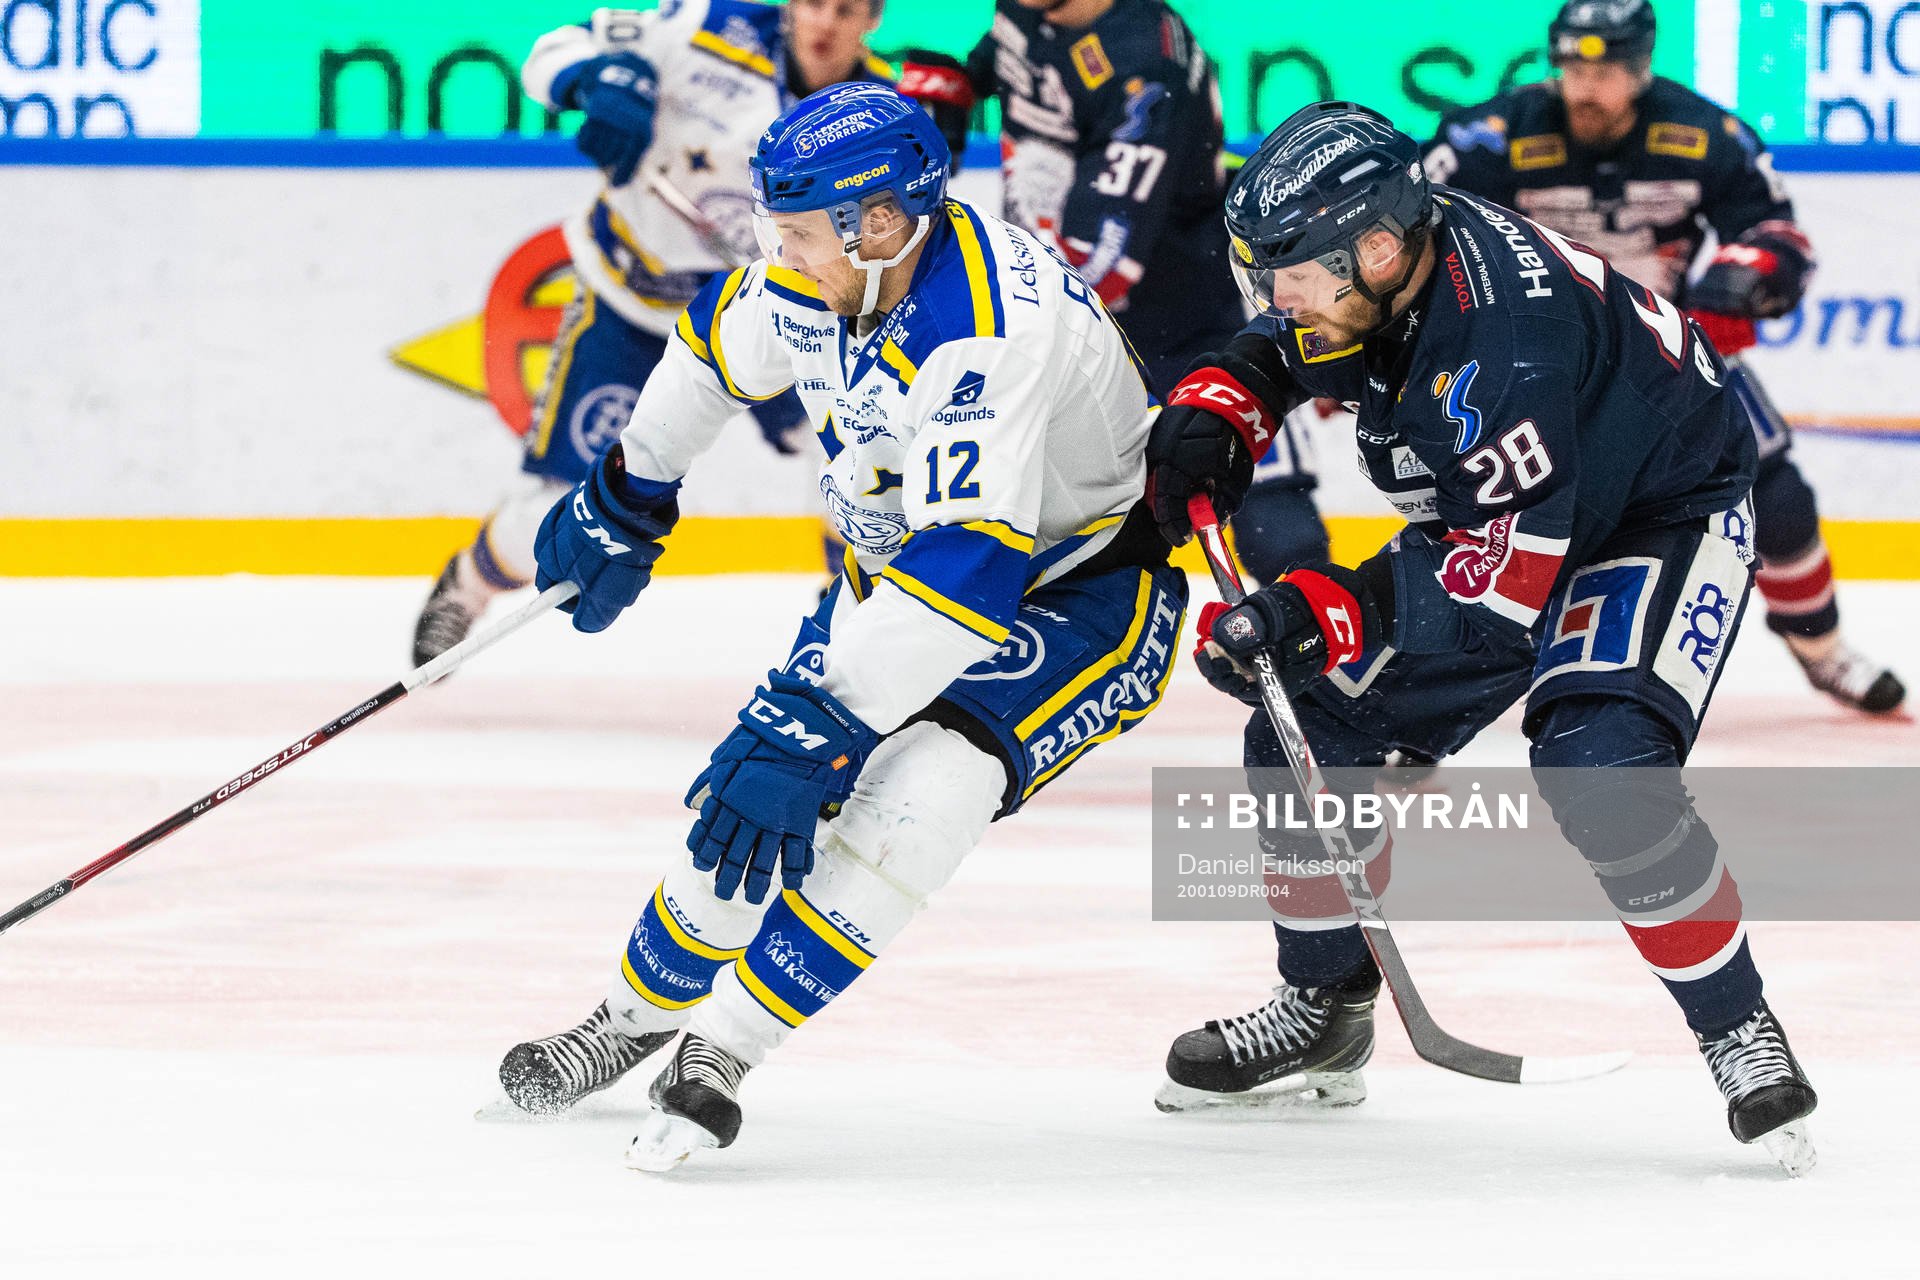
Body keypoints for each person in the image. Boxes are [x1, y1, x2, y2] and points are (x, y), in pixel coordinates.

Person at [494, 83, 1186, 1170]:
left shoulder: (985, 332)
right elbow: (714, 347)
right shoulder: (831, 270)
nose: (782, 251)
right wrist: (629, 490)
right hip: (898, 577)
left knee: (923, 788)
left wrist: (815, 717)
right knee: (750, 801)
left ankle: (720, 1050)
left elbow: (970, 570)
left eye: (801, 231)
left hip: (1080, 596)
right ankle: (628, 1016)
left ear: (880, 222)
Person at [1142, 101, 1817, 1171]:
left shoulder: (1499, 350)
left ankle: (1736, 1023)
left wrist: (1327, 609)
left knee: (1602, 767)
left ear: (1376, 247)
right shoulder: (1386, 269)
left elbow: (1500, 586)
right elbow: (1298, 338)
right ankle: (1325, 1002)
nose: (1279, 299)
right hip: (1528, 513)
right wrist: (1230, 393)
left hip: (1658, 515)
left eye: (1294, 277)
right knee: (1306, 725)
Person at [1421, 0, 1903, 715]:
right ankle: (1431, 692)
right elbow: (1422, 246)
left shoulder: (1709, 135)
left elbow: (1777, 231)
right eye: (1573, 65)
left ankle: (1823, 651)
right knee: (1482, 520)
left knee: (1779, 500)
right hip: (1532, 367)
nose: (1587, 84)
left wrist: (1749, 273)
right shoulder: (1484, 139)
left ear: (1641, 68)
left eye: (1606, 68)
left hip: (1674, 352)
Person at [411, 0, 903, 665]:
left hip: (771, 316)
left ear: (872, 20)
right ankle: (466, 585)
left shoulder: (878, 112)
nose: (825, 24)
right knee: (560, 506)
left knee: (860, 463)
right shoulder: (703, 26)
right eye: (814, 3)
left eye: (846, 11)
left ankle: (853, 631)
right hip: (631, 307)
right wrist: (591, 82)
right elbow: (550, 51)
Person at [963, 0, 1331, 577]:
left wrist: (983, 319)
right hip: (1075, 324)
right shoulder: (1030, 8)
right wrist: (952, 89)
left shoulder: (1145, 74)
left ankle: (1329, 653)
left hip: (1184, 324)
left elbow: (1098, 269)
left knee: (1278, 535)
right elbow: (1011, 61)